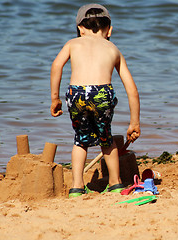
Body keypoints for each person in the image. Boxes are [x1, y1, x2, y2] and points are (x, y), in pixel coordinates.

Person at [50, 4, 140, 198]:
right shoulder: (113, 48)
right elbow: (131, 89)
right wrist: (134, 122)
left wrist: (55, 98)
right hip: (102, 94)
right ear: (109, 30)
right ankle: (115, 183)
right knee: (106, 139)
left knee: (80, 141)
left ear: (80, 29)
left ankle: (76, 187)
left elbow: (56, 66)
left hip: (77, 95)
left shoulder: (72, 43)